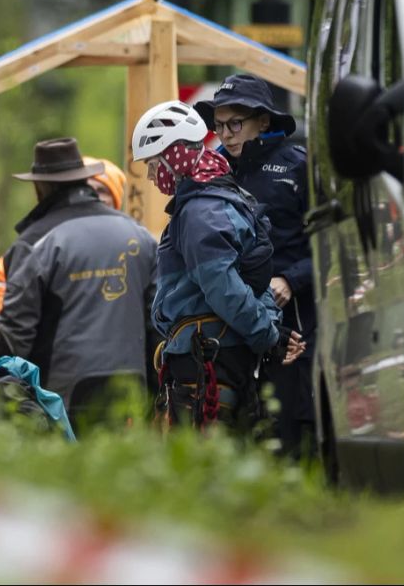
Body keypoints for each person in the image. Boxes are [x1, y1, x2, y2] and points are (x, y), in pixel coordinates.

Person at [131, 100, 305, 434]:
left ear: (175, 157)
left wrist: (268, 335)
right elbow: (252, 282)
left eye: (153, 164)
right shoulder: (220, 197)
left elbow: (223, 286)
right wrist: (269, 329)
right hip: (212, 356)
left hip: (205, 364)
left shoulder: (201, 212)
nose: (151, 175)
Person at [0, 138, 157, 436]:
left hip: (62, 392)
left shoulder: (35, 241)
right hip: (133, 384)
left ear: (42, 187)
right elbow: (157, 316)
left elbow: (16, 328)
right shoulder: (139, 235)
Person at [194, 75, 315, 456]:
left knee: (288, 429)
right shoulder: (213, 173)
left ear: (263, 120)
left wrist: (292, 281)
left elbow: (334, 244)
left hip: (293, 324)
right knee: (235, 428)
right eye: (218, 125)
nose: (226, 134)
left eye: (235, 123)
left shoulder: (299, 168)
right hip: (231, 327)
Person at [0, 155, 126, 324]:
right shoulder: (44, 239)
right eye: (88, 189)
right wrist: (30, 325)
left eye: (101, 190)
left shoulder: (132, 244)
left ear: (116, 199)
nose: (94, 197)